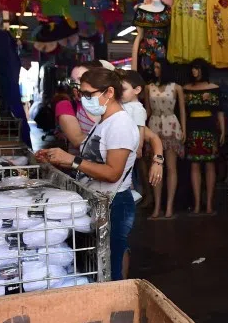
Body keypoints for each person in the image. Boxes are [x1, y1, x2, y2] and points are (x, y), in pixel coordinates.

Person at [37, 67, 140, 281]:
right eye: (80, 93)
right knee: (96, 267)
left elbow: (112, 173)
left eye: (87, 94)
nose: (82, 99)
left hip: (114, 204)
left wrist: (72, 161)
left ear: (109, 92)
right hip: (98, 202)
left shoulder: (120, 125)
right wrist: (58, 158)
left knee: (110, 271)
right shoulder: (102, 122)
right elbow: (90, 161)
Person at [146, 60, 186, 219]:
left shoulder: (176, 88)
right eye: (154, 67)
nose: (155, 69)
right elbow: (147, 111)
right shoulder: (148, 87)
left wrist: (184, 129)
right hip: (154, 127)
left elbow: (182, 110)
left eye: (157, 67)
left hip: (172, 126)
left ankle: (169, 206)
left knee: (171, 168)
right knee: (156, 167)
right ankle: (157, 206)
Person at [184, 58, 224, 215]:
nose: (194, 72)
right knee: (194, 165)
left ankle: (208, 204)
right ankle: (197, 204)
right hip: (192, 127)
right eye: (193, 69)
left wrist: (222, 131)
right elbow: (183, 112)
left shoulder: (214, 88)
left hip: (209, 127)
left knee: (209, 165)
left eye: (198, 69)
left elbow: (219, 111)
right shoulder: (185, 89)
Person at [120, 69, 165, 196]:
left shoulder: (138, 108)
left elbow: (141, 128)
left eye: (123, 89)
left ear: (137, 90)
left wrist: (139, 147)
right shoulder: (123, 104)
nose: (119, 93)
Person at [55, 60, 116, 151]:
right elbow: (77, 140)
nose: (75, 86)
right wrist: (118, 141)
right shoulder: (66, 106)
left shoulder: (113, 105)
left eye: (81, 80)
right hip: (79, 164)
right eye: (73, 80)